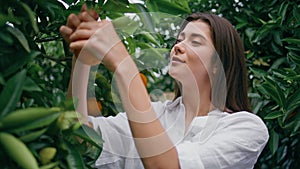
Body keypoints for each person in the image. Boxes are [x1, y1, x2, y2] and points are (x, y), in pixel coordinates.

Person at [60, 4, 269, 169]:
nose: (178, 46)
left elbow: (167, 166)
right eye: (179, 39)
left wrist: (123, 64)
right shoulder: (152, 115)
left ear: (217, 64)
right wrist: (82, 63)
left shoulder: (245, 128)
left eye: (195, 42)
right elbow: (78, 138)